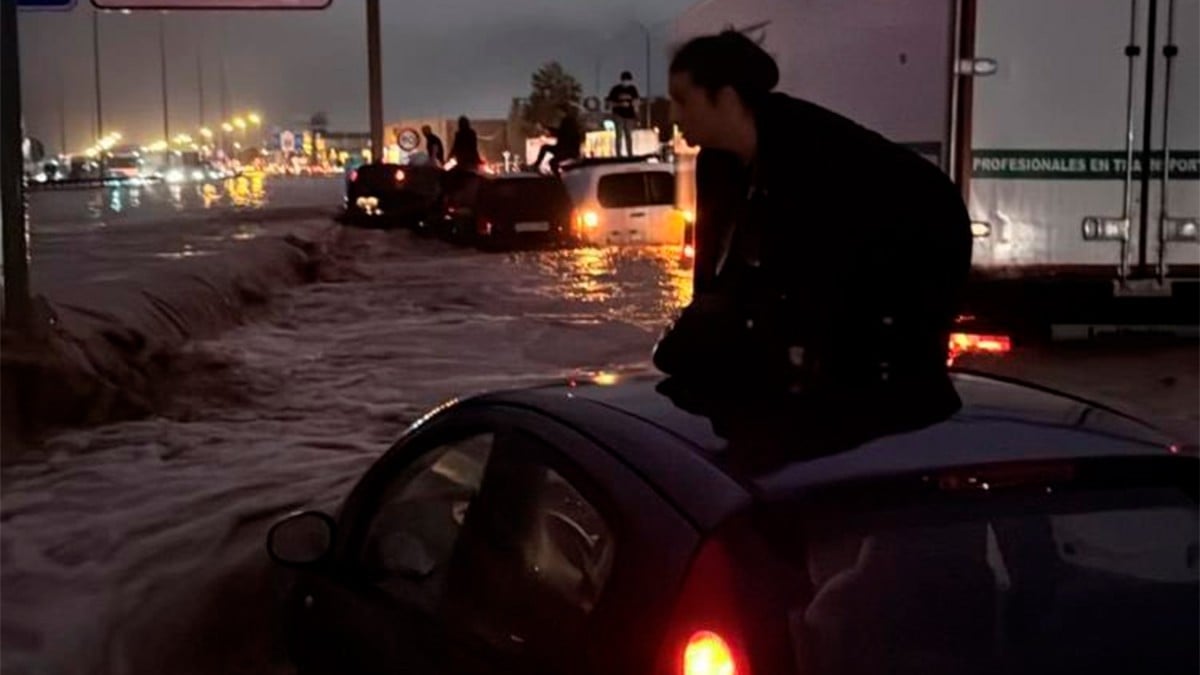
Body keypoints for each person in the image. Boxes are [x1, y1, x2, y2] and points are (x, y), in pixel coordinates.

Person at [653, 31, 972, 420]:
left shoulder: (812, 155)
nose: (672, 115)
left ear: (727, 98)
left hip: (920, 256)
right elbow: (714, 280)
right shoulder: (717, 162)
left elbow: (808, 287)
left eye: (683, 100)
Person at [533, 107, 583, 175]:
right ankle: (536, 165)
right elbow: (560, 133)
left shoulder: (568, 122)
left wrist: (547, 129)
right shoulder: (566, 121)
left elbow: (562, 133)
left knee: (552, 162)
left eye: (558, 112)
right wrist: (547, 129)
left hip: (568, 150)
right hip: (562, 148)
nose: (557, 115)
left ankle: (559, 179)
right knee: (545, 148)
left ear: (562, 112)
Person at [606, 71, 640, 157]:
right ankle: (618, 154)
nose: (626, 82)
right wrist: (620, 104)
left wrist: (636, 112)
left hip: (629, 116)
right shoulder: (616, 89)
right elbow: (609, 103)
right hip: (618, 115)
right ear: (621, 80)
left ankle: (630, 154)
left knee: (628, 135)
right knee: (619, 135)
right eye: (625, 80)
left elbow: (636, 101)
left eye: (628, 80)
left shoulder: (632, 89)